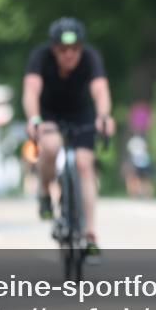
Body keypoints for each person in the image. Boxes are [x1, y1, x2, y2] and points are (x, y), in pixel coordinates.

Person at [23, 17, 116, 256]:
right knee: (51, 146)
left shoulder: (90, 58)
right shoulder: (41, 57)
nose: (69, 55)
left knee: (85, 164)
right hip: (49, 113)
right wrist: (34, 119)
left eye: (75, 49)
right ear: (54, 49)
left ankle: (90, 233)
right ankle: (45, 192)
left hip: (81, 114)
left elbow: (100, 89)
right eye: (63, 50)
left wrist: (104, 116)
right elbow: (31, 90)